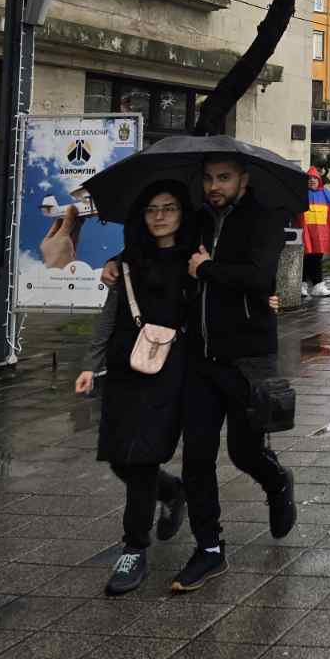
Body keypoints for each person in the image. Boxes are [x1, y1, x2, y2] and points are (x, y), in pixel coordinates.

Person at [110, 154, 295, 594]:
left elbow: (261, 277)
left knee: (245, 453)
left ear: (243, 180)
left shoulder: (265, 218)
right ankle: (210, 548)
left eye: (224, 178)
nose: (215, 186)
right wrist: (120, 261)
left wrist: (207, 269)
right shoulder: (197, 219)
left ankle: (276, 481)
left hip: (248, 358)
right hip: (200, 360)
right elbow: (163, 245)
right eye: (209, 178)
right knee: (196, 459)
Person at [75, 181, 193, 596]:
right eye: (151, 209)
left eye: (169, 208)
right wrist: (90, 365)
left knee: (141, 458)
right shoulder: (127, 261)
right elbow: (110, 316)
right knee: (118, 457)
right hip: (125, 367)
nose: (159, 217)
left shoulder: (194, 260)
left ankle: (134, 547)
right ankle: (172, 491)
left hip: (170, 370)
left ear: (183, 213)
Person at [299, 166, 330, 299]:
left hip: (320, 234)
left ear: (319, 180)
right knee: (306, 257)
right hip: (305, 232)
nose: (312, 180)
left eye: (315, 178)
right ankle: (310, 285)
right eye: (309, 178)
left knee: (315, 257)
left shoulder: (326, 193)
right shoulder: (301, 193)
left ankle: (309, 285)